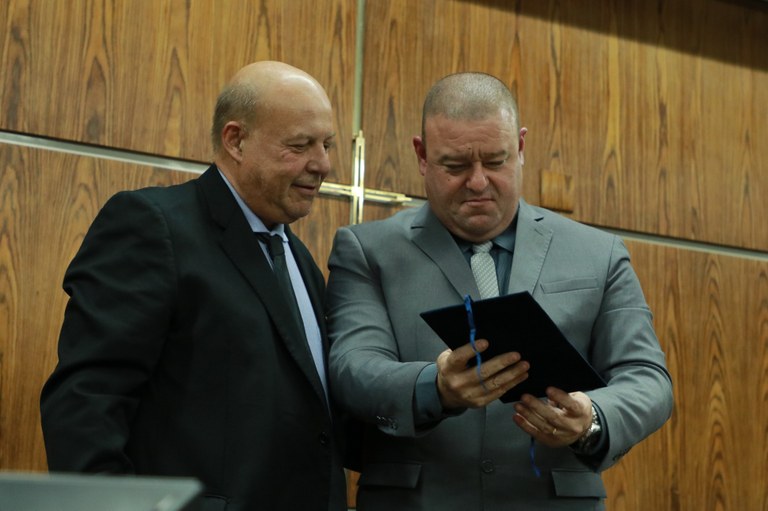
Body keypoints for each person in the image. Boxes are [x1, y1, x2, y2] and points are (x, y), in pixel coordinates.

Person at [326, 71, 673, 510]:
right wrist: (435, 388)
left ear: (521, 147)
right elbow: (352, 370)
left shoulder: (598, 254)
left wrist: (593, 418)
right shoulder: (367, 251)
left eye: (495, 162)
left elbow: (647, 378)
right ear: (422, 155)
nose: (477, 182)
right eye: (455, 166)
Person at [40, 61, 347, 511]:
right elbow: (86, 404)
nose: (323, 164)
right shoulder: (152, 227)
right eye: (300, 145)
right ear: (235, 140)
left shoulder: (299, 259)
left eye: (327, 144)